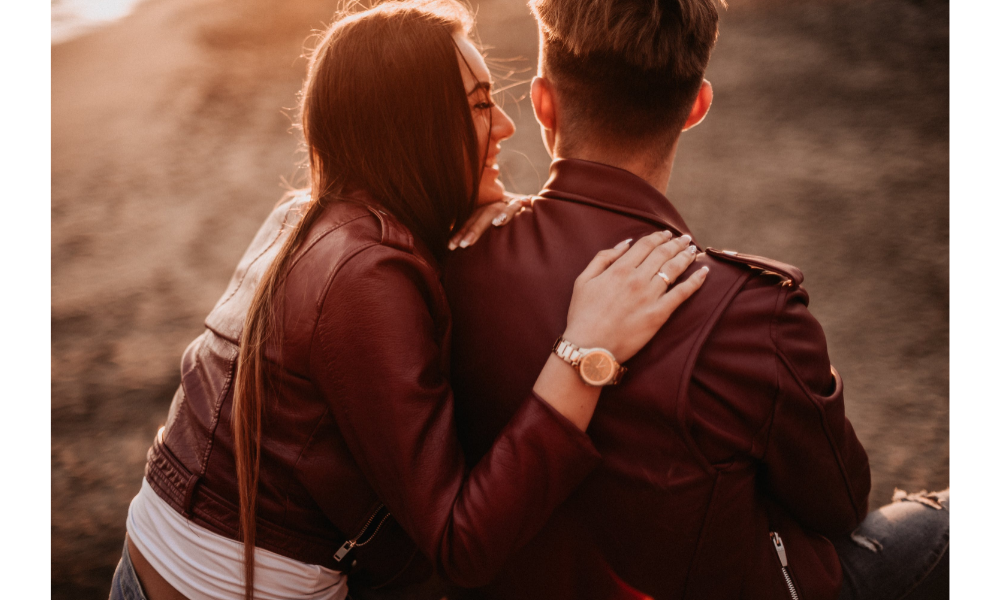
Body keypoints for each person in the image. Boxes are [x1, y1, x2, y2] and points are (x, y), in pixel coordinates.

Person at [107, 2, 710, 600]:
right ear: (411, 124)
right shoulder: (365, 274)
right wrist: (585, 351)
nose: (505, 125)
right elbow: (461, 543)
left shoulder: (308, 214)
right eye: (479, 104)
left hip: (156, 557)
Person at [443, 1, 949, 599]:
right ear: (695, 107)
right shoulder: (754, 311)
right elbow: (840, 503)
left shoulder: (453, 259)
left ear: (541, 101)